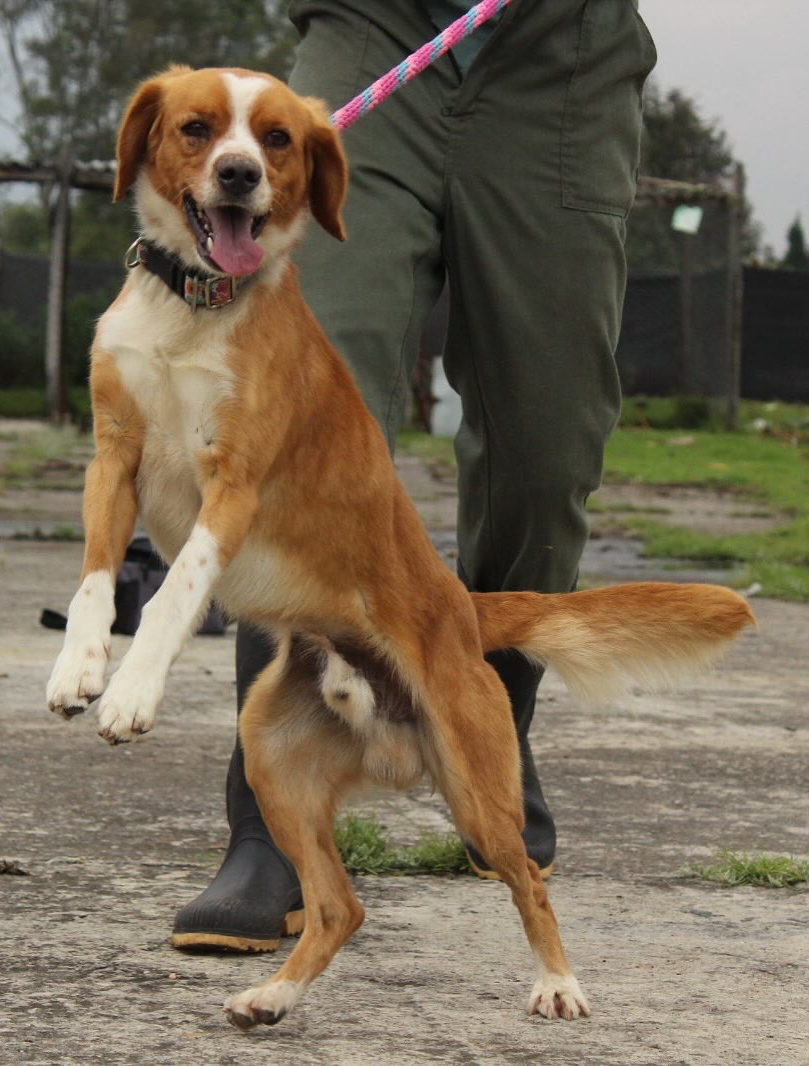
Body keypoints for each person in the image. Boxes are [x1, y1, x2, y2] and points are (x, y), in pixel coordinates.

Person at [171, 0, 657, 952]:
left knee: (547, 436)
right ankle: (272, 828)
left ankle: (484, 737)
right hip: (374, 28)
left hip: (560, 58)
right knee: (296, 419)